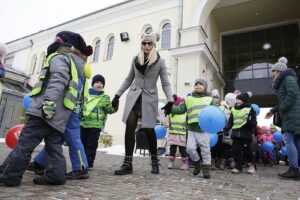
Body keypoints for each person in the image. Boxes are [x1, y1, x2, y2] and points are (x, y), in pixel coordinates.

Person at [0, 31, 93, 186]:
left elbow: (58, 80)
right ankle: (55, 176)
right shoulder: (76, 64)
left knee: (25, 143)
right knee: (53, 146)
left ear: (64, 44)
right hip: (61, 115)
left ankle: (9, 174)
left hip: (45, 110)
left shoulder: (60, 57)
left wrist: (49, 103)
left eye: (57, 40)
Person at [113, 32, 173, 175]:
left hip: (149, 98)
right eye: (144, 43)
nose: (146, 46)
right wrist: (117, 95)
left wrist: (170, 100)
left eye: (149, 43)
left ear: (154, 45)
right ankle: (127, 164)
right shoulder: (135, 59)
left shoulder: (160, 61)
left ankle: (154, 161)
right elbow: (129, 79)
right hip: (134, 97)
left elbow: (165, 82)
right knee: (130, 127)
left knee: (149, 130)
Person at [172, 78, 215, 179]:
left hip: (204, 129)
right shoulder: (189, 99)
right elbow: (180, 109)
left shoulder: (209, 99)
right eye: (196, 84)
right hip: (191, 128)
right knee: (190, 149)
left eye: (201, 84)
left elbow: (215, 112)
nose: (198, 86)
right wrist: (171, 108)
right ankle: (197, 163)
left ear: (205, 87)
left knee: (205, 149)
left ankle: (206, 168)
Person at [265, 57, 300, 180]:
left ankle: (294, 169)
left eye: (273, 71)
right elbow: (285, 100)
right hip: (291, 114)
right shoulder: (284, 81)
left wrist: (283, 109)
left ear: (279, 71)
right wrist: (273, 110)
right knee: (295, 142)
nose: (272, 74)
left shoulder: (288, 79)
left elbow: (292, 94)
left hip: (292, 115)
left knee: (288, 140)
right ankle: (295, 169)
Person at [80, 74, 117, 170]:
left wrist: (115, 105)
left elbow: (110, 110)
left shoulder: (105, 97)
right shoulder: (86, 94)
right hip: (83, 124)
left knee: (92, 145)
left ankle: (89, 164)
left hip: (96, 125)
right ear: (93, 84)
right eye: (97, 82)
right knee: (82, 144)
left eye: (101, 83)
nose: (99, 84)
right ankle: (81, 162)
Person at [224, 91, 257, 174]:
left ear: (244, 100)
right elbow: (230, 122)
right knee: (235, 151)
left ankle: (251, 165)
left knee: (247, 151)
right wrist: (226, 129)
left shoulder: (250, 109)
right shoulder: (234, 110)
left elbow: (253, 121)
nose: (237, 101)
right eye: (237, 99)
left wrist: (252, 128)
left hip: (245, 134)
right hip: (235, 134)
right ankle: (238, 166)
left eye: (239, 99)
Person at [164, 95, 188, 170]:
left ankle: (185, 163)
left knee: (182, 149)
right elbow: (169, 122)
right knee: (172, 149)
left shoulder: (185, 113)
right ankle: (171, 162)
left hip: (182, 134)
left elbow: (187, 123)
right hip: (173, 133)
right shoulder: (171, 113)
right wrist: (167, 124)